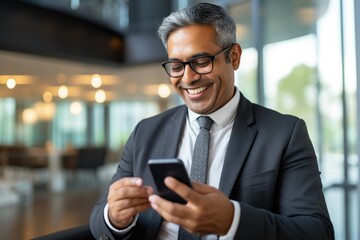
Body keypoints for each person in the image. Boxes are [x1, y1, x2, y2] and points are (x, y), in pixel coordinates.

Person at [89, 3, 334, 240]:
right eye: (176, 65)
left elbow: (316, 231)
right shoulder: (146, 132)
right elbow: (99, 221)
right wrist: (114, 217)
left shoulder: (285, 134)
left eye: (201, 61)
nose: (188, 77)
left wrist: (232, 220)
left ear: (234, 57)